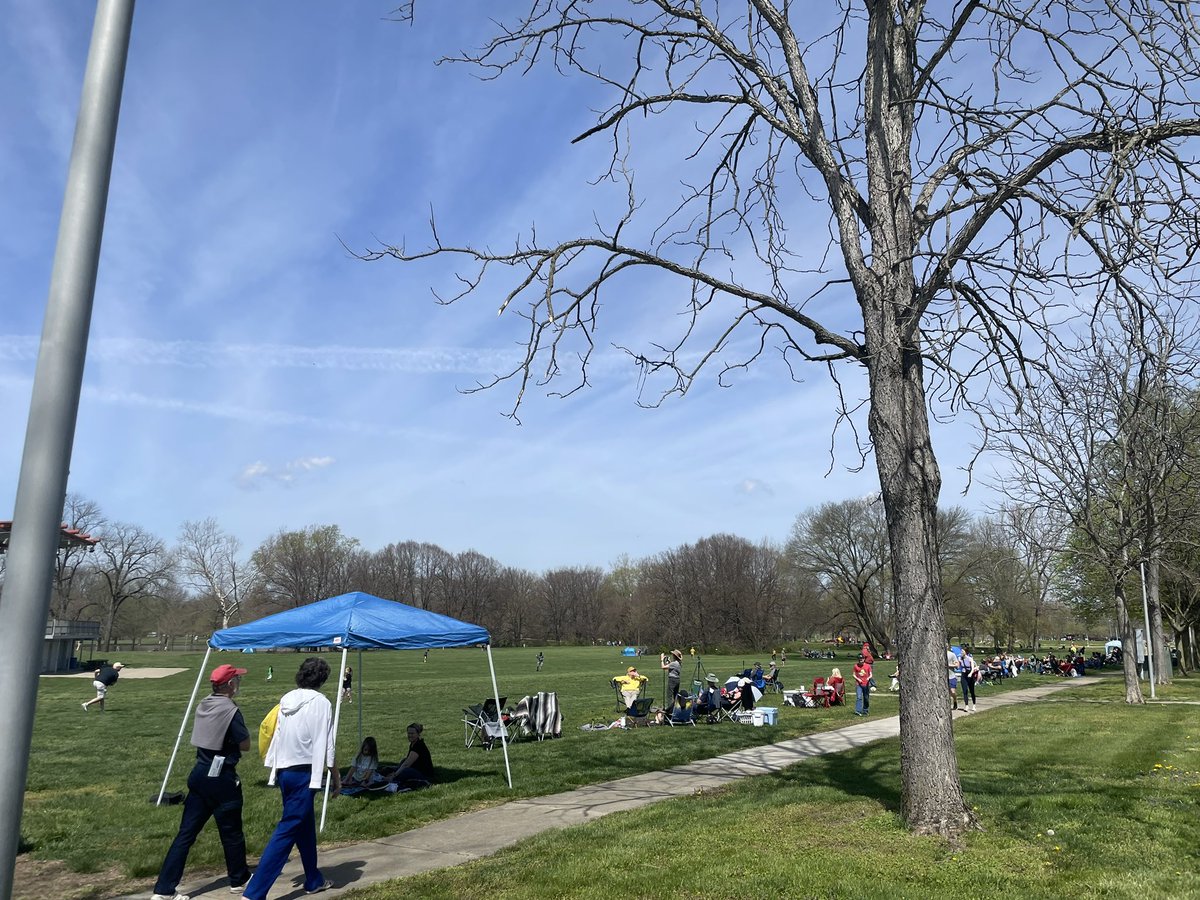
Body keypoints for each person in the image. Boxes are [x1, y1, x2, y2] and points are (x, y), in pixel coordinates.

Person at [239, 657, 339, 900]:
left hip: (284, 771)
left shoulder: (286, 699)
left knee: (303, 826)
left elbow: (278, 734)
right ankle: (254, 893)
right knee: (287, 830)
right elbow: (327, 743)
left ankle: (313, 879)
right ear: (322, 679)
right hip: (304, 773)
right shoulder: (321, 703)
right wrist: (335, 774)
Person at [151, 664, 252, 900]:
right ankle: (239, 879)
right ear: (229, 685)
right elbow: (245, 744)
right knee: (231, 831)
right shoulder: (231, 710)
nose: (238, 683)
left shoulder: (204, 704)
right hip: (222, 776)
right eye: (236, 679)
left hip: (199, 773)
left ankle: (164, 889)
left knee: (185, 834)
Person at [386, 723, 434, 791]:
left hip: (424, 775)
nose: (410, 735)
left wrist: (394, 775)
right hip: (416, 769)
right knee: (403, 761)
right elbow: (406, 761)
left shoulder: (419, 746)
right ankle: (390, 773)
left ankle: (392, 781)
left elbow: (407, 764)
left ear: (418, 734)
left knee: (406, 770)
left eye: (412, 733)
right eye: (408, 733)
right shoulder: (413, 743)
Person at [959, 647, 979, 712]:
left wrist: (970, 673)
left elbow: (972, 668)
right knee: (965, 691)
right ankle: (966, 705)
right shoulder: (960, 659)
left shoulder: (970, 659)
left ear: (966, 652)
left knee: (972, 691)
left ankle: (974, 705)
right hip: (964, 675)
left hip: (970, 675)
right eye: (961, 651)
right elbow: (959, 666)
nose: (961, 652)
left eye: (962, 651)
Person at [947, 645, 962, 711]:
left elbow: (957, 665)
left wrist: (949, 665)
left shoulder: (952, 654)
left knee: (952, 692)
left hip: (951, 676)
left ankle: (955, 700)